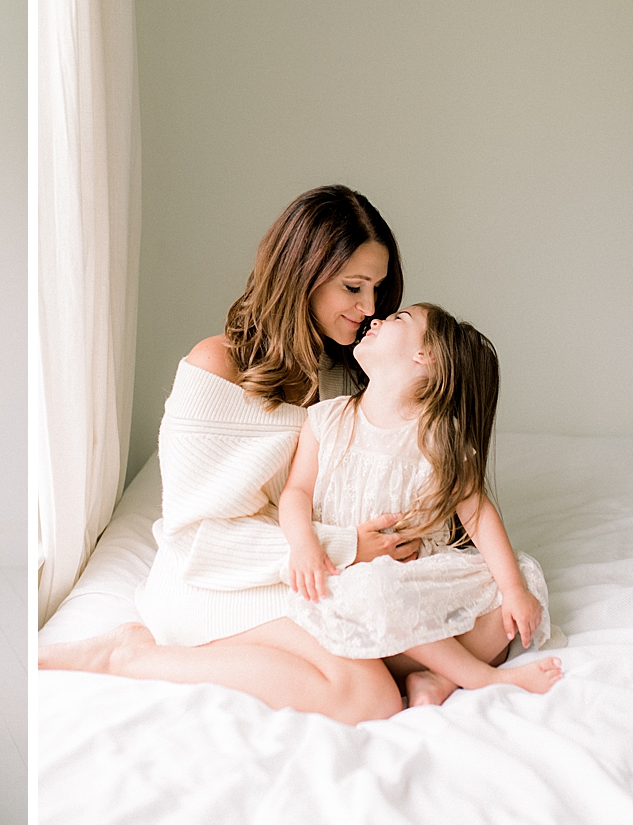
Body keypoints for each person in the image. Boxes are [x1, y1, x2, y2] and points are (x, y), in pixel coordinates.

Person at [39, 185, 517, 724]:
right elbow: (196, 537)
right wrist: (343, 547)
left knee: (468, 618)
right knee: (370, 697)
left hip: (316, 569)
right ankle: (130, 655)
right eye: (353, 287)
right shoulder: (213, 368)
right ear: (301, 277)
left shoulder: (351, 372)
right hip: (215, 578)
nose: (369, 309)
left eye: (377, 291)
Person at [282, 303, 562, 699]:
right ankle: (481, 677)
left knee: (522, 575)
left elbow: (477, 513)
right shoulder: (326, 420)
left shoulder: (438, 435)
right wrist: (304, 545)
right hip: (359, 587)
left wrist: (514, 589)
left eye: (398, 319)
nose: (375, 319)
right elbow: (294, 493)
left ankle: (436, 677)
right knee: (378, 586)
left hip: (422, 581)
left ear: (424, 357)